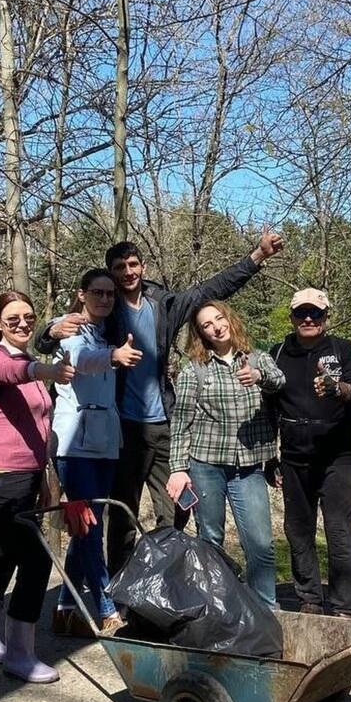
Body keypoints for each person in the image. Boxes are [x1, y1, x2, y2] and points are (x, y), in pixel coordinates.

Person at [36, 231, 284, 576]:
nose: (127, 272)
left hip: (161, 422)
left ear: (143, 266)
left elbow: (211, 289)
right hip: (121, 427)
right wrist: (50, 332)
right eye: (119, 267)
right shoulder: (107, 308)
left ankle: (164, 583)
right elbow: (56, 334)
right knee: (123, 512)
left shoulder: (163, 304)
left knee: (177, 508)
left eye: (133, 264)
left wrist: (257, 256)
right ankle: (121, 589)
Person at [0, 291, 75, 682]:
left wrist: (47, 477)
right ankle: (19, 652)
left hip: (27, 473)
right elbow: (11, 373)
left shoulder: (28, 360)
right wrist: (49, 372)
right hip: (0, 471)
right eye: (12, 318)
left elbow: (38, 426)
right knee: (35, 556)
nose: (23, 323)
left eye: (28, 317)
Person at [165, 301, 285, 607]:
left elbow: (279, 385)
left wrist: (260, 377)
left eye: (219, 319)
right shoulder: (195, 369)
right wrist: (178, 468)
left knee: (260, 544)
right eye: (207, 325)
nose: (216, 326)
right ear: (201, 334)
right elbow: (182, 422)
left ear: (229, 319)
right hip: (206, 466)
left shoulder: (259, 359)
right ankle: (216, 608)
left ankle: (265, 610)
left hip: (248, 467)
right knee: (210, 540)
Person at [265, 288, 351, 617]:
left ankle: (345, 605)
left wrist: (340, 389)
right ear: (292, 316)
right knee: (298, 529)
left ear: (327, 316)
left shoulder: (346, 350)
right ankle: (309, 597)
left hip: (338, 454)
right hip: (294, 454)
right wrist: (271, 456)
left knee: (339, 529)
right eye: (301, 313)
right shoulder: (277, 352)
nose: (308, 319)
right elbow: (267, 407)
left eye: (316, 313)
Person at [51, 268, 141, 636]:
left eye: (109, 294)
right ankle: (105, 606)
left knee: (86, 526)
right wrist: (114, 356)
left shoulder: (109, 331)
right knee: (89, 525)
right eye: (97, 292)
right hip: (74, 440)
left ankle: (65, 606)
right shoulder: (68, 327)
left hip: (106, 440)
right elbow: (80, 360)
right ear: (81, 293)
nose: (104, 299)